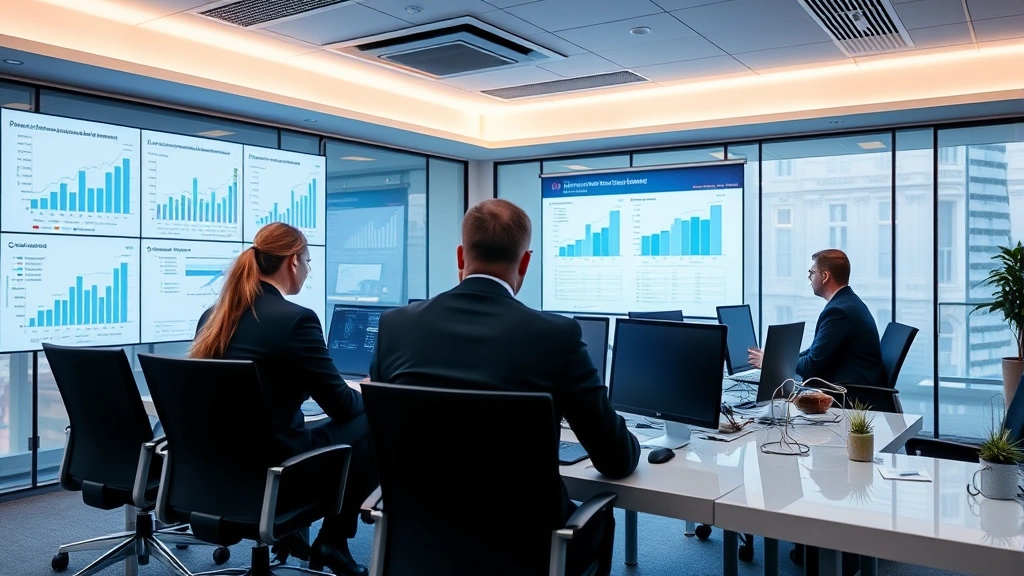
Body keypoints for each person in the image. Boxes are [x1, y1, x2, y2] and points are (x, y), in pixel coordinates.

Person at [369, 198, 639, 576]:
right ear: (525, 262)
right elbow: (615, 460)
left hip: (422, 542)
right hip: (528, 552)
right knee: (601, 521)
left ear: (461, 256)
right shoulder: (556, 336)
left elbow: (385, 428)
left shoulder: (395, 326)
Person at [192, 222, 373, 576]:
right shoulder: (296, 320)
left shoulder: (212, 318)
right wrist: (369, 391)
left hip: (214, 475)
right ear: (292, 262)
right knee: (370, 419)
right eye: (307, 261)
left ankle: (294, 534)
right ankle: (334, 540)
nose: (307, 270)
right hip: (275, 476)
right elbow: (342, 406)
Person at [748, 249, 886, 389]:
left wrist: (770, 362)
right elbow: (814, 352)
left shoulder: (839, 312)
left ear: (825, 276)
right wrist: (776, 358)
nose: (810, 278)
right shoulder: (847, 302)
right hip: (845, 386)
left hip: (850, 396)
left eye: (812, 273)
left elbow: (811, 365)